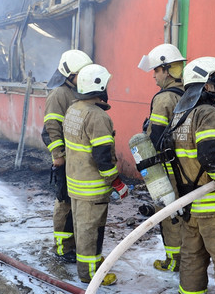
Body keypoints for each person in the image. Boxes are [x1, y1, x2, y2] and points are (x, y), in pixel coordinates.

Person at [164, 56, 215, 294]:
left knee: (192, 260)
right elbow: (211, 155)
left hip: (191, 206)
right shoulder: (208, 113)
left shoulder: (180, 116)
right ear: (205, 85)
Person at [63, 63, 127, 286]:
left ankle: (89, 264)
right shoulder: (97, 116)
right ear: (99, 86)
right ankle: (90, 274)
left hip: (76, 183)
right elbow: (102, 157)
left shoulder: (74, 109)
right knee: (92, 231)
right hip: (92, 186)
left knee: (82, 229)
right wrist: (117, 182)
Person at [41, 49, 93, 263]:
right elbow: (51, 128)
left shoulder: (76, 91)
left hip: (77, 158)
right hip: (65, 158)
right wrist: (58, 155)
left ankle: (74, 244)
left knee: (75, 202)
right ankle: (63, 247)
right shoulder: (59, 94)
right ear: (70, 74)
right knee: (64, 202)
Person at [137, 43, 186, 272]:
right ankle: (187, 257)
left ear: (166, 69)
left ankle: (174, 261)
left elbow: (155, 139)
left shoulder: (164, 99)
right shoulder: (188, 93)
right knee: (185, 213)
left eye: (156, 70)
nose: (154, 76)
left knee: (169, 215)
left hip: (168, 169)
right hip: (188, 167)